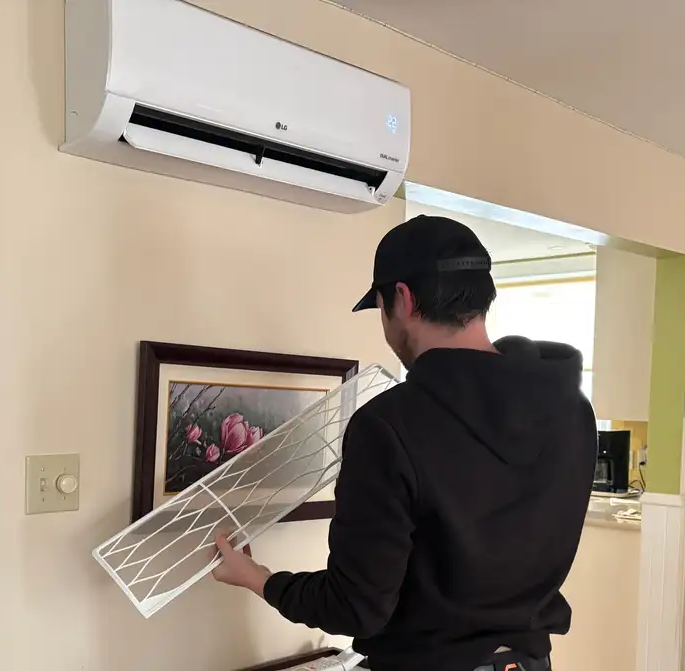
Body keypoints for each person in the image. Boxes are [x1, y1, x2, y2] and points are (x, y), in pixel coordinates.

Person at [212, 215, 597, 671]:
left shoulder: (388, 425)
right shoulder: (572, 410)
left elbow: (355, 607)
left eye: (380, 307)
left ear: (403, 298)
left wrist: (257, 578)